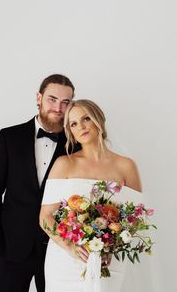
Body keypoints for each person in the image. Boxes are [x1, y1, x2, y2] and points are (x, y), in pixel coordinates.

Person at [0, 74, 76, 292]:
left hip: (58, 249)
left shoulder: (77, 145)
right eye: (52, 99)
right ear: (39, 98)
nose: (58, 108)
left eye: (66, 102)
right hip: (11, 248)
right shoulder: (9, 137)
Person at [40, 99, 142, 292]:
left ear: (99, 120)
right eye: (74, 124)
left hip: (108, 260)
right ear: (70, 132)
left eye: (86, 118)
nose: (81, 126)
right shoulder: (64, 164)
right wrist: (70, 246)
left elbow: (135, 217)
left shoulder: (126, 166)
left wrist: (111, 246)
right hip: (66, 260)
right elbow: (45, 217)